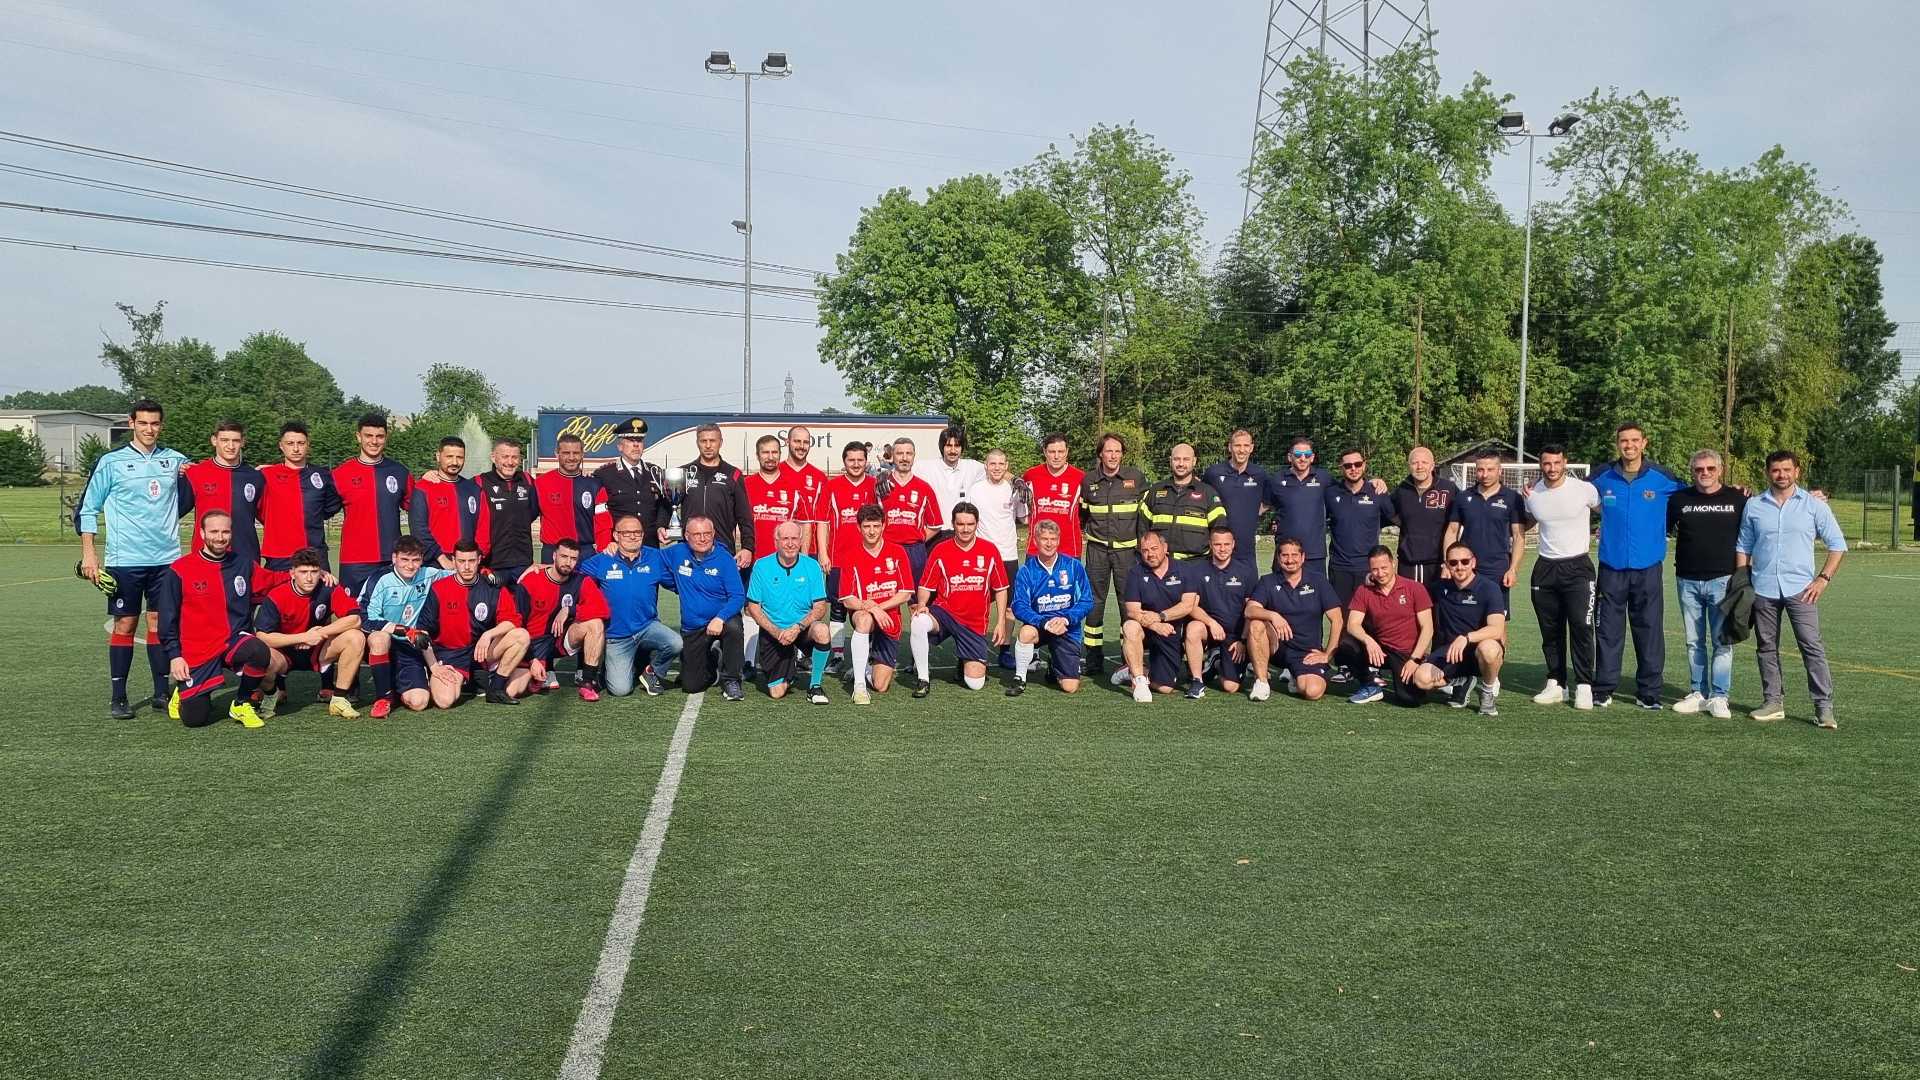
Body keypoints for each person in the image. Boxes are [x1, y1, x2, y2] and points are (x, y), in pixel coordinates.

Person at [76, 398, 192, 718]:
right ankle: (119, 696)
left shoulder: (176, 460)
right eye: (143, 423)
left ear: (161, 425)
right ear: (131, 424)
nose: (149, 429)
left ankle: (161, 691)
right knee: (126, 624)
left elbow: (209, 481)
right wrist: (90, 555)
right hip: (124, 559)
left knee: (159, 622)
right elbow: (88, 509)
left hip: (167, 559)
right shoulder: (111, 462)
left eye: (155, 423)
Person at [1738, 450, 1847, 729]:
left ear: (1797, 471)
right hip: (1763, 588)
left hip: (1802, 589)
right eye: (1776, 470)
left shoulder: (1814, 505)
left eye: (1787, 470)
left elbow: (1837, 545)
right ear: (1767, 472)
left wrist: (1823, 579)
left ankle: (1824, 707)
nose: (1781, 475)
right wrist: (1742, 580)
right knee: (1765, 647)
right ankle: (1773, 702)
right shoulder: (1754, 506)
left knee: (1811, 647)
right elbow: (1743, 546)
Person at [155, 510, 287, 729]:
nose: (220, 537)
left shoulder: (242, 564)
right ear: (202, 533)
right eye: (214, 531)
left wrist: (302, 574)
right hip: (198, 648)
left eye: (225, 531)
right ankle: (183, 688)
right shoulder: (180, 570)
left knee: (258, 650)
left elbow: (272, 580)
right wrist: (175, 656)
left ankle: (241, 702)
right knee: (195, 719)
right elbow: (167, 618)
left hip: (232, 640)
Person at [1589, 422, 1688, 709]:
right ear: (1617, 443)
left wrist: (1737, 493)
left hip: (1648, 568)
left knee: (1649, 630)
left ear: (1645, 443)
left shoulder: (1662, 478)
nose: (1629, 445)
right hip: (1611, 567)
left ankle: (1649, 692)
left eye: (1634, 440)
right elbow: (1569, 491)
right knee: (1608, 630)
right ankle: (1604, 688)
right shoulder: (1602, 475)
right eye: (1624, 441)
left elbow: (1696, 494)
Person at [1667, 449, 1746, 718]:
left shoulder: (1738, 498)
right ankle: (1698, 693)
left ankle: (1719, 696)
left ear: (1720, 470)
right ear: (1692, 471)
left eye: (1710, 469)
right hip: (1687, 580)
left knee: (1723, 641)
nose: (1705, 474)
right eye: (1699, 469)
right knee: (1693, 641)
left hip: (1723, 580)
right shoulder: (1679, 499)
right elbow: (1662, 528)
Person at [1524, 444, 1600, 710]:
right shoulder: (1533, 494)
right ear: (1540, 465)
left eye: (1557, 463)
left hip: (1578, 567)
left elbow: (1607, 510)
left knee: (1581, 626)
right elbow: (1526, 522)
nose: (1552, 468)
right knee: (1550, 630)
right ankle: (1557, 683)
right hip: (1545, 568)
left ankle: (1584, 686)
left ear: (1565, 462)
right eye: (1547, 463)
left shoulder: (1584, 490)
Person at [908, 502, 1011, 697]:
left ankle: (964, 660)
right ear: (953, 524)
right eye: (960, 524)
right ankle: (923, 679)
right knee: (918, 621)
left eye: (970, 524)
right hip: (945, 613)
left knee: (975, 683)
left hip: (973, 623)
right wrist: (922, 605)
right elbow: (925, 586)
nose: (965, 529)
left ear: (977, 524)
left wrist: (1000, 622)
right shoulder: (940, 550)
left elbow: (1001, 589)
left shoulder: (989, 551)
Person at [251, 545, 365, 719]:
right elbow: (263, 636)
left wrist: (319, 634)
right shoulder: (277, 595)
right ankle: (271, 694)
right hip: (284, 652)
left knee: (355, 637)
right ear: (292, 573)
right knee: (258, 653)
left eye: (314, 571)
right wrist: (303, 637)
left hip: (318, 649)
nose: (310, 578)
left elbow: (355, 619)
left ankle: (339, 699)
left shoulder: (328, 588)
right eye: (304, 572)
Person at [578, 514, 682, 698]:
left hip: (647, 627)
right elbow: (573, 574)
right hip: (617, 636)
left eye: (638, 532)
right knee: (620, 690)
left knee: (675, 643)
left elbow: (677, 582)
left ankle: (652, 672)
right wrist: (544, 567)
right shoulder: (603, 559)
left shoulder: (654, 557)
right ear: (616, 536)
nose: (633, 536)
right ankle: (606, 669)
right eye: (627, 533)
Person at [418, 540, 529, 708]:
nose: (467, 567)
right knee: (444, 701)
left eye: (471, 561)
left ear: (479, 560)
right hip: (451, 655)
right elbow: (423, 631)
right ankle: (470, 679)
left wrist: (488, 634)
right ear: (453, 561)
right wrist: (434, 667)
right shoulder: (439, 588)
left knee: (521, 636)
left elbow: (513, 621)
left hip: (483, 651)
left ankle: (495, 689)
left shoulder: (493, 587)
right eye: (461, 561)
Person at [357, 536, 450, 716]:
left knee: (420, 702)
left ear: (421, 560)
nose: (410, 565)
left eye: (415, 560)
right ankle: (383, 698)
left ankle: (395, 683)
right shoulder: (380, 580)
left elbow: (459, 574)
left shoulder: (428, 574)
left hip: (410, 646)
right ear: (394, 558)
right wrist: (403, 630)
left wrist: (484, 572)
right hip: (385, 643)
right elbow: (365, 619)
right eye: (404, 560)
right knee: (379, 638)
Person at [1411, 542, 1507, 716]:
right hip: (1450, 653)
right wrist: (1374, 580)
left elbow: (1497, 629)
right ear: (1447, 565)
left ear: (1473, 562)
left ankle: (1487, 692)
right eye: (1453, 563)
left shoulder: (1489, 588)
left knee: (1489, 649)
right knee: (1421, 679)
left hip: (1478, 651)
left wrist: (1466, 637)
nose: (1460, 566)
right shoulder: (1439, 588)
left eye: (1464, 561)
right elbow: (1410, 591)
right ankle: (1461, 681)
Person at [1244, 537, 1344, 702]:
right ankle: (1261, 682)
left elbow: (1337, 619)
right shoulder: (1268, 581)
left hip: (1306, 652)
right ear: (1278, 558)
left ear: (1303, 557)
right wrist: (1273, 616)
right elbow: (1249, 610)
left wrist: (1328, 654)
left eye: (1294, 555)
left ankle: (1295, 676)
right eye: (1285, 555)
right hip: (1277, 648)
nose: (1290, 560)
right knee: (1256, 623)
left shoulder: (1317, 580)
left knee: (1313, 692)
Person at [1080, 432, 1146, 676]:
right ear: (1100, 454)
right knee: (1094, 605)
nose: (1113, 455)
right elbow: (1082, 516)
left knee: (1126, 605)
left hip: (1127, 553)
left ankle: (1128, 660)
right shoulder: (1088, 481)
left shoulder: (1136, 478)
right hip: (1097, 551)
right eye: (1109, 451)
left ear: (1122, 454)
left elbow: (1143, 517)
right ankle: (1093, 659)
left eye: (1117, 451)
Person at [662, 515, 748, 700]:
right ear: (686, 535)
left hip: (720, 620)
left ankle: (732, 680)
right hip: (693, 627)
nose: (702, 538)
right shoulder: (676, 552)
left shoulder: (724, 559)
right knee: (691, 686)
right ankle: (714, 659)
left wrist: (720, 618)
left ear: (714, 534)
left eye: (707, 534)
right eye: (697, 534)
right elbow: (650, 559)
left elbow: (738, 596)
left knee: (734, 627)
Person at [512, 539, 610, 701]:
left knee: (595, 624)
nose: (568, 562)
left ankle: (587, 683)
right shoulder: (531, 581)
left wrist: (570, 609)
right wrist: (531, 659)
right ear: (554, 556)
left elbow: (603, 610)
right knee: (515, 689)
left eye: (573, 559)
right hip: (534, 644)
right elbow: (517, 624)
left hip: (562, 640)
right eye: (564, 556)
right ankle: (534, 672)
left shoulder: (581, 581)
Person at [745, 521, 832, 703]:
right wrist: (777, 632)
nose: (790, 543)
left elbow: (820, 607)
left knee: (822, 631)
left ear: (801, 541)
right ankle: (789, 667)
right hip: (774, 632)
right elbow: (753, 607)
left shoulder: (812, 566)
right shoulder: (762, 566)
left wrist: (797, 628)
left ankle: (815, 686)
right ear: (776, 541)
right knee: (777, 693)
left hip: (801, 628)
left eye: (794, 538)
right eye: (785, 539)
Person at [1338, 546, 1435, 707]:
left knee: (1409, 700)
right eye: (1375, 569)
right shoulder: (1364, 590)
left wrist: (1414, 659)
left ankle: (1439, 678)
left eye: (1384, 568)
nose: (1380, 573)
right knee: (1346, 645)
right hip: (1380, 649)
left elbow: (1428, 628)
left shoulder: (1414, 588)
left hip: (1405, 653)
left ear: (1393, 563)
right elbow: (1352, 624)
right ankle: (1371, 684)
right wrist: (1369, 641)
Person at [1006, 518, 1094, 696]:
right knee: (1026, 633)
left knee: (1070, 687)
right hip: (1041, 626)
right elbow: (1019, 605)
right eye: (1044, 539)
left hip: (1066, 628)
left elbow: (1086, 600)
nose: (1049, 543)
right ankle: (1020, 678)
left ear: (1059, 541)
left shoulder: (1073, 566)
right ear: (1036, 541)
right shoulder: (1026, 570)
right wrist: (1044, 622)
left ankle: (1055, 666)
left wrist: (1066, 619)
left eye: (1053, 539)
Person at [837, 504, 914, 704]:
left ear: (883, 526)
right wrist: (869, 607)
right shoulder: (850, 555)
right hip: (865, 613)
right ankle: (860, 687)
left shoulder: (897, 552)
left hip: (890, 618)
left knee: (881, 686)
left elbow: (906, 594)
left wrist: (879, 607)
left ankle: (864, 668)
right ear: (858, 528)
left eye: (876, 526)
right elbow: (847, 598)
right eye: (867, 526)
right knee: (863, 619)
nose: (871, 531)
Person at [334, 412, 413, 601]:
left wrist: (431, 476)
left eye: (379, 436)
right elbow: (317, 507)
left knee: (391, 615)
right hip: (355, 560)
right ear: (358, 437)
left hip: (391, 557)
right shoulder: (340, 474)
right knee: (352, 617)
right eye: (368, 436)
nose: (374, 441)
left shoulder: (400, 472)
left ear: (386, 438)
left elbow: (418, 508)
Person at [1119, 531, 1200, 703]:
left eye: (1154, 548)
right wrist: (1155, 625)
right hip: (1147, 629)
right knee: (1130, 626)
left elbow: (1187, 605)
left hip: (1170, 630)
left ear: (1165, 548)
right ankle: (1139, 680)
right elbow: (1132, 611)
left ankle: (1132, 670)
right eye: (1145, 550)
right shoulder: (1135, 572)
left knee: (1165, 687)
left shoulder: (1184, 569)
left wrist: (1161, 617)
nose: (1150, 554)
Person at [817, 441, 878, 669]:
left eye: (860, 460)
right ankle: (838, 656)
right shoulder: (832, 487)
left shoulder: (874, 485)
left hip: (867, 562)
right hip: (839, 559)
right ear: (844, 462)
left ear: (866, 461)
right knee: (838, 606)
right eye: (851, 460)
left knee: (867, 606)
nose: (855, 464)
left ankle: (871, 654)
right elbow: (822, 522)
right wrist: (823, 553)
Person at [1443, 450, 1529, 606]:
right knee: (1466, 615)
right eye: (1481, 470)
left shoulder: (1512, 498)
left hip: (1497, 569)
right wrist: (1448, 564)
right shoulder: (1462, 497)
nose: (1485, 474)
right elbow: (1452, 531)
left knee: (1498, 620)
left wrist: (1513, 569)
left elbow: (1518, 536)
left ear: (1500, 470)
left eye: (1490, 469)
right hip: (1465, 567)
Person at [1184, 524, 1258, 697]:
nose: (1222, 549)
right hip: (1209, 629)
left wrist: (1243, 639)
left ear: (1233, 544)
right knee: (1193, 628)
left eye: (1226, 544)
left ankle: (1217, 661)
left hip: (1235, 636)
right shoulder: (1196, 570)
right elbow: (1191, 606)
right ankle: (1197, 681)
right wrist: (1211, 623)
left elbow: (1252, 608)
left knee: (1230, 686)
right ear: (1210, 544)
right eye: (1217, 544)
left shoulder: (1246, 571)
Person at [259, 421, 344, 572]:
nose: (296, 448)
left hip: (315, 553)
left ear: (308, 445)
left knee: (323, 594)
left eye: (301, 443)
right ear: (281, 445)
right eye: (290, 443)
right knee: (278, 596)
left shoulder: (323, 476)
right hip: (280, 556)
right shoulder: (266, 475)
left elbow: (331, 507)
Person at [183, 419, 265, 567]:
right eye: (224, 440)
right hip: (205, 555)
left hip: (245, 555)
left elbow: (270, 518)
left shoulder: (255, 477)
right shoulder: (195, 473)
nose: (230, 446)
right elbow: (174, 511)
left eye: (235, 441)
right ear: (214, 441)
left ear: (243, 442)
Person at [972, 449, 1027, 670]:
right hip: (983, 558)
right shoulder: (975, 490)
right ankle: (975, 647)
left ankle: (1005, 650)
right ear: (985, 465)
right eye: (992, 463)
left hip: (1008, 555)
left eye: (1001, 464)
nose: (996, 467)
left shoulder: (1014, 490)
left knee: (1009, 608)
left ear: (1006, 466)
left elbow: (1023, 518)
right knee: (979, 604)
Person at [1324, 447, 1399, 603]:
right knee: (1342, 620)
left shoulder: (1377, 492)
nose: (1353, 469)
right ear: (1341, 468)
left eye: (1357, 464)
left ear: (1364, 465)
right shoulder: (1330, 493)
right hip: (1339, 568)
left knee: (1371, 621)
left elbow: (1395, 519)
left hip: (1369, 567)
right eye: (1348, 465)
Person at [679, 422, 754, 568]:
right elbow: (667, 506)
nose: (708, 445)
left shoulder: (733, 474)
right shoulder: (684, 472)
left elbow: (744, 517)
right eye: (703, 441)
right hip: (689, 550)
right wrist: (661, 525)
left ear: (720, 442)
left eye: (712, 441)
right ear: (697, 443)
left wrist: (748, 547)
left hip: (722, 547)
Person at [591, 417, 672, 550]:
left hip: (649, 545)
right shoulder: (605, 475)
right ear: (620, 447)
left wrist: (661, 526)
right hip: (617, 547)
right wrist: (605, 542)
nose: (636, 445)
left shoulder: (655, 472)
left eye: (639, 440)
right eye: (630, 440)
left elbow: (665, 504)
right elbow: (599, 513)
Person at [409, 436, 484, 570]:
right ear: (438, 456)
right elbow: (419, 530)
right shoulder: (423, 487)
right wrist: (442, 559)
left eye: (460, 457)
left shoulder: (473, 489)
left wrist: (474, 558)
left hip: (467, 564)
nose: (454, 462)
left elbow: (481, 526)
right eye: (449, 456)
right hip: (434, 564)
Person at [1140, 442, 1226, 560]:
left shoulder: (1208, 493)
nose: (1181, 464)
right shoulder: (1155, 491)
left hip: (1197, 564)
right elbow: (1142, 529)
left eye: (1186, 459)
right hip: (1162, 565)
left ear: (1194, 461)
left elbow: (1220, 531)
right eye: (1176, 459)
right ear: (1170, 461)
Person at [1388, 446, 1458, 587]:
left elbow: (1462, 521)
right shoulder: (1401, 491)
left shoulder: (1449, 489)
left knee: (1438, 608)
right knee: (1408, 608)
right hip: (1407, 564)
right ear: (1409, 466)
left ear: (1432, 465)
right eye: (1415, 463)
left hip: (1439, 565)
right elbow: (1386, 514)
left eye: (1424, 463)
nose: (1419, 467)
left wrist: (1450, 561)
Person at [534, 432, 608, 561]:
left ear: (582, 454)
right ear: (557, 454)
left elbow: (603, 522)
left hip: (585, 552)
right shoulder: (540, 483)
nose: (571, 457)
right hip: (553, 552)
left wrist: (604, 553)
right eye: (566, 453)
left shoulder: (595, 484)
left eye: (576, 453)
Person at [878, 436, 942, 583]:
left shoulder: (924, 488)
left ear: (914, 457)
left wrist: (916, 537)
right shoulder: (881, 486)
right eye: (900, 454)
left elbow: (935, 524)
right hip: (887, 548)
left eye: (909, 453)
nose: (904, 458)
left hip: (915, 552)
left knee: (916, 601)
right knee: (886, 596)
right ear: (892, 456)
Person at [1202, 429, 1271, 561]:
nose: (1241, 450)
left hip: (1246, 549)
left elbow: (1267, 502)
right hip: (1218, 547)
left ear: (1251, 448)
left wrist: (1250, 514)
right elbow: (1203, 500)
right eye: (1237, 445)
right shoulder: (1213, 473)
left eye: (1246, 446)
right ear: (1230, 447)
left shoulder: (1260, 474)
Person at [476, 437, 536, 584]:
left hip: (523, 562)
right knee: (495, 605)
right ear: (493, 457)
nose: (510, 462)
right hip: (493, 563)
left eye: (514, 457)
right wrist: (435, 474)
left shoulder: (527, 481)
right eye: (505, 457)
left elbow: (533, 512)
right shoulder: (479, 482)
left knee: (523, 606)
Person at [915, 425, 987, 547]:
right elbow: (901, 471)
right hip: (934, 533)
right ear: (942, 447)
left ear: (962, 448)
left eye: (957, 446)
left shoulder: (972, 467)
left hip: (960, 533)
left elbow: (997, 469)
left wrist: (1016, 479)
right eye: (949, 446)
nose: (953, 450)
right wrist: (883, 476)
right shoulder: (925, 467)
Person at [1023, 433, 1085, 558]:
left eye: (1061, 451)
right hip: (1036, 549)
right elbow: (1003, 476)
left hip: (1069, 549)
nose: (1056, 456)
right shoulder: (1031, 475)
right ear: (1045, 452)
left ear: (1067, 452)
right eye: (1052, 452)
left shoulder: (1080, 477)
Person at [781, 425, 828, 557]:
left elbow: (823, 521)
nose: (801, 446)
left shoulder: (819, 477)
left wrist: (823, 553)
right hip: (781, 549)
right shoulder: (776, 472)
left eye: (806, 442)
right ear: (787, 442)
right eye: (797, 441)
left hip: (811, 551)